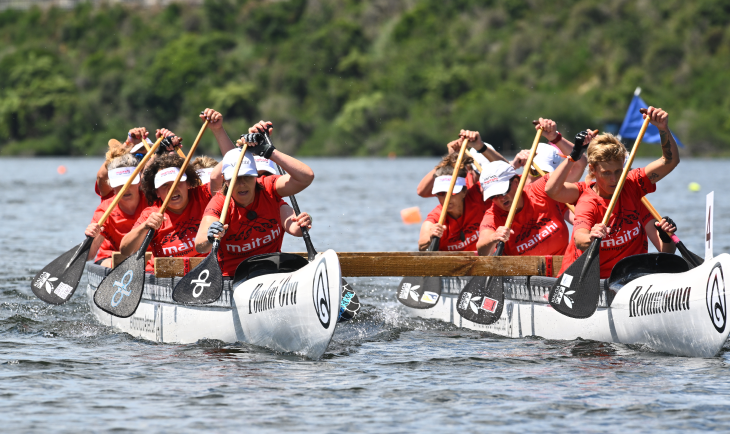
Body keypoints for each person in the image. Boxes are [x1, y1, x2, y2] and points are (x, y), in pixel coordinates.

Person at [558, 107, 680, 279]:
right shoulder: (588, 201)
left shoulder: (632, 185)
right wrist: (592, 238)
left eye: (618, 171)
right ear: (593, 170)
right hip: (587, 281)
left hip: (627, 277)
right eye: (606, 173)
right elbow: (580, 239)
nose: (614, 179)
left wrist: (662, 128)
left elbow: (670, 161)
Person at [194, 121, 314, 277]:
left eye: (247, 177)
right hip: (233, 277)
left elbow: (306, 177)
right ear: (226, 180)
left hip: (270, 272)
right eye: (236, 178)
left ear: (255, 176)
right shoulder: (220, 203)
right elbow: (200, 246)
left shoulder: (268, 188)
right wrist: (210, 237)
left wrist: (269, 152)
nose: (242, 184)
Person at [119, 153, 212, 272]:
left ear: (188, 184)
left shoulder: (202, 195)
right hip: (165, 275)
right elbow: (125, 250)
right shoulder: (153, 213)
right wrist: (145, 226)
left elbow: (221, 177)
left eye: (177, 182)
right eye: (165, 185)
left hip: (203, 273)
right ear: (157, 192)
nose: (172, 189)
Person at [84, 154, 150, 267]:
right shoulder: (105, 210)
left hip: (148, 259)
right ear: (111, 186)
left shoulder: (153, 203)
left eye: (130, 182)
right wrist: (92, 236)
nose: (125, 188)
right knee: (113, 264)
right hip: (112, 259)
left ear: (139, 181)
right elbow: (89, 256)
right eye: (119, 183)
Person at [418, 152, 487, 251]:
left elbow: (505, 179)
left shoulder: (476, 195)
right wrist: (430, 235)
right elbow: (421, 245)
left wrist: (480, 147)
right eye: (441, 193)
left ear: (464, 192)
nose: (446, 198)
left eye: (452, 193)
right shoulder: (436, 217)